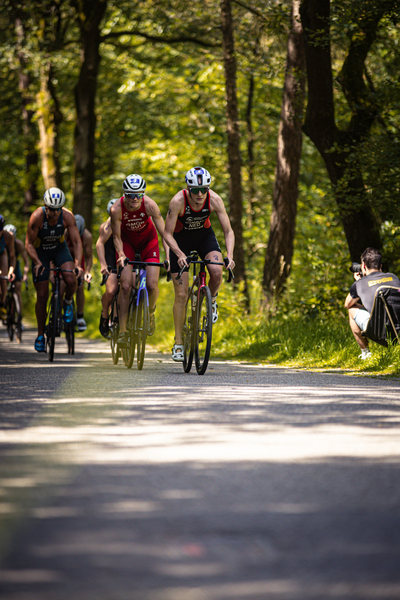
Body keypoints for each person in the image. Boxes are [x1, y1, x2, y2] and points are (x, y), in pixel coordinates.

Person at [163, 166, 235, 362]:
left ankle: (210, 300)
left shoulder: (215, 200)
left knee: (217, 272)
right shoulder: (178, 201)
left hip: (205, 238)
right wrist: (177, 254)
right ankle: (178, 343)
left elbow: (228, 231)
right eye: (195, 190)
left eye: (204, 189)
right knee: (180, 294)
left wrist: (230, 255)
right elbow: (167, 233)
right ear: (188, 189)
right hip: (181, 241)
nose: (200, 194)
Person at [111, 174, 169, 347]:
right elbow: (116, 236)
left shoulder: (150, 205)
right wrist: (121, 254)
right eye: (130, 195)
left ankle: (150, 313)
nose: (135, 199)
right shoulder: (116, 209)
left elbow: (165, 234)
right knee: (126, 286)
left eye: (139, 195)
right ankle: (122, 331)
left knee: (152, 285)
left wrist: (169, 255)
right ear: (124, 194)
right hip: (127, 243)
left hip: (147, 242)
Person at [25, 187, 83, 352]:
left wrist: (78, 264)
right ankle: (40, 335)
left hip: (59, 249)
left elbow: (77, 242)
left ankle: (67, 303)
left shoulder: (67, 216)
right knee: (42, 296)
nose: (55, 212)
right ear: (45, 206)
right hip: (40, 252)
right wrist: (36, 262)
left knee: (71, 279)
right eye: (51, 209)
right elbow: (28, 243)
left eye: (58, 208)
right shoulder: (37, 217)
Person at [344, 247, 400, 359]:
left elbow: (347, 304)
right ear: (380, 266)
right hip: (398, 329)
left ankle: (366, 353)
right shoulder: (393, 277)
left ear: (363, 265)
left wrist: (358, 281)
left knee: (351, 309)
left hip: (379, 332)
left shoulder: (360, 283)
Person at [64, 214, 93, 331]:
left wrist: (87, 271)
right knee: (60, 285)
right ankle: (58, 314)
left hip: (78, 261)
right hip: (64, 259)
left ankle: (80, 316)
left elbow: (89, 257)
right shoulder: (64, 233)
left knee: (80, 286)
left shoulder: (87, 236)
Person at [96, 199, 119, 338]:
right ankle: (105, 315)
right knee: (111, 291)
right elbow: (100, 244)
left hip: (126, 257)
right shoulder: (106, 226)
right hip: (111, 259)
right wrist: (103, 264)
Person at [3, 224, 29, 325]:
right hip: (3, 264)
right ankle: (4, 305)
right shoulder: (2, 244)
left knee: (18, 289)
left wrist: (25, 274)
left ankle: (19, 317)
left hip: (15, 265)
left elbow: (26, 261)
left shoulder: (18, 245)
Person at [0, 215, 16, 319]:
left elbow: (12, 256)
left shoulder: (7, 237)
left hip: (2, 254)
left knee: (3, 277)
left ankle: (2, 303)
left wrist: (11, 271)